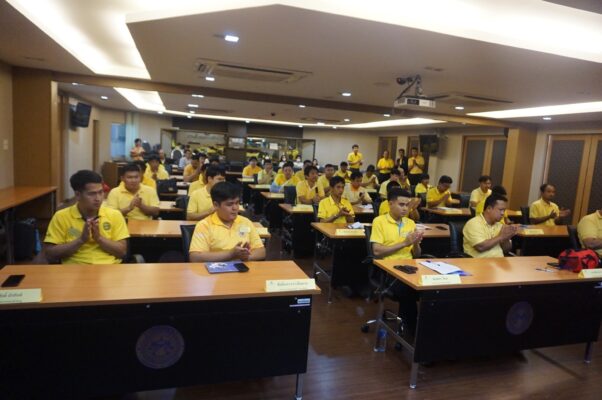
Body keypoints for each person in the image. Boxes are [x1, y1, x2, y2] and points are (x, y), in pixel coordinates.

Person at [44, 170, 129, 264]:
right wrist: (81, 240)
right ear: (78, 195)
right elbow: (50, 254)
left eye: (101, 192)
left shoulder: (114, 215)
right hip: (74, 268)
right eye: (92, 194)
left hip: (108, 267)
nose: (98, 198)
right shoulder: (61, 216)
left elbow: (122, 252)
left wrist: (99, 238)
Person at [189, 182, 265, 262]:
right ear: (216, 205)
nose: (235, 208)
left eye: (237, 203)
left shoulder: (246, 222)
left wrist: (245, 257)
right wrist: (231, 254)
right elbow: (195, 257)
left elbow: (261, 251)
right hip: (216, 269)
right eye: (229, 204)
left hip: (242, 268)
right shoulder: (204, 225)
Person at [371, 188, 423, 260]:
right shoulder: (379, 221)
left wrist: (416, 243)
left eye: (407, 205)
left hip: (409, 263)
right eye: (401, 205)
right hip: (387, 264)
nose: (405, 208)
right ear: (390, 204)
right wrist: (404, 243)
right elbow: (377, 252)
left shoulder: (411, 223)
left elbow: (417, 255)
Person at [463, 193, 518, 258]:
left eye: (504, 210)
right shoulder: (473, 223)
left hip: (499, 261)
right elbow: (481, 247)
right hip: (479, 262)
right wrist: (501, 237)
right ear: (489, 208)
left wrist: (506, 238)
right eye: (500, 210)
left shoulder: (500, 225)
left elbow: (506, 250)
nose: (503, 213)